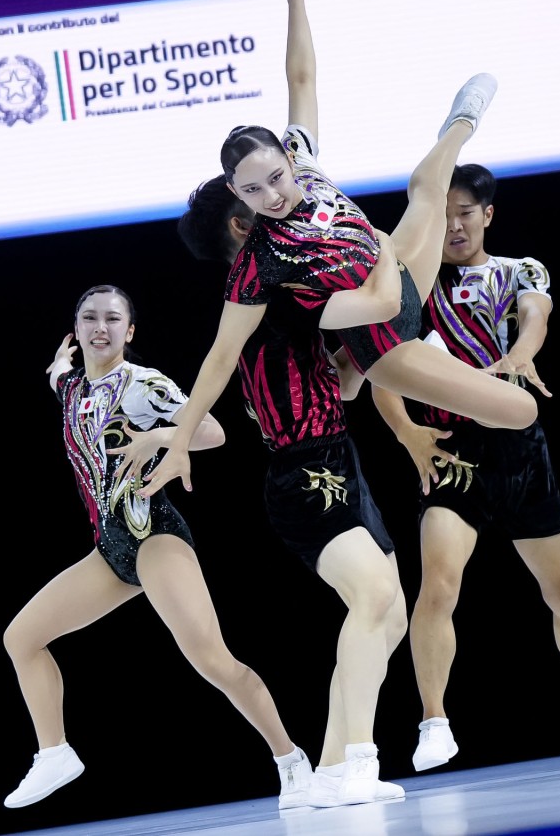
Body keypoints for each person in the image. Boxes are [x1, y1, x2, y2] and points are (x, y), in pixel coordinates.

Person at [142, 0, 537, 514]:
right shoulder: (259, 262)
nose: (272, 197)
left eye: (276, 177)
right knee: (521, 412)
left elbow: (301, 79)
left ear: (288, 155)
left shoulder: (303, 158)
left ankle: (461, 124)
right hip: (386, 341)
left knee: (428, 187)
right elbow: (221, 357)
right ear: (235, 192)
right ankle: (380, 364)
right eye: (253, 191)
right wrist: (181, 440)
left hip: (400, 273)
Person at [370, 163, 560, 771]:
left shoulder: (520, 270)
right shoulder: (411, 288)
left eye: (465, 213)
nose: (453, 225)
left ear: (487, 215)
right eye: (443, 214)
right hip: (453, 454)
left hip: (521, 454)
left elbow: (536, 316)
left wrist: (517, 358)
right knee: (438, 586)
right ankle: (433, 722)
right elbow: (381, 369)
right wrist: (408, 434)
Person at [0, 285, 313, 810]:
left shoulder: (142, 384)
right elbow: (59, 377)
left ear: (129, 331)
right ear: (76, 329)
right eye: (90, 318)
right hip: (111, 550)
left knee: (212, 660)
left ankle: (291, 759)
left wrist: (160, 437)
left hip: (154, 536)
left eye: (112, 319)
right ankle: (54, 753)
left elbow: (212, 432)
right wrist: (58, 366)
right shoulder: (71, 385)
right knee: (22, 638)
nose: (101, 328)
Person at [174, 176, 410, 807]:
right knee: (374, 594)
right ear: (241, 224)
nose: (285, 207)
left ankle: (327, 773)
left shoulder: (285, 286)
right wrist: (381, 241)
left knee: (389, 617)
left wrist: (355, 359)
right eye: (260, 200)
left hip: (340, 459)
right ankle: (358, 760)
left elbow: (346, 385)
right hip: (302, 476)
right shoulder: (270, 292)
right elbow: (384, 300)